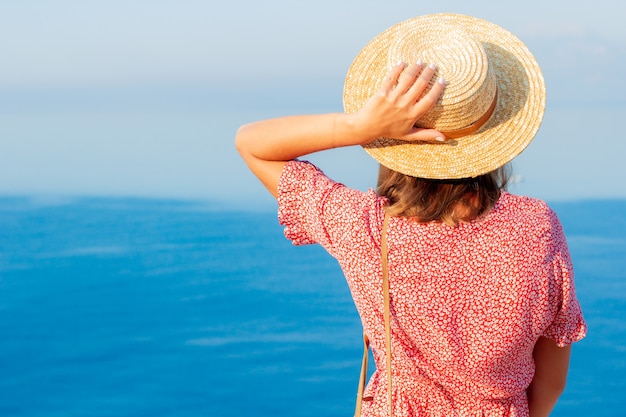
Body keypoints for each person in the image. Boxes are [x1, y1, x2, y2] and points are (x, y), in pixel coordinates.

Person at [235, 13, 586, 417]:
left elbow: (251, 143)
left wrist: (358, 126)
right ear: (490, 132)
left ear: (392, 141)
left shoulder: (362, 224)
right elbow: (551, 381)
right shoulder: (536, 227)